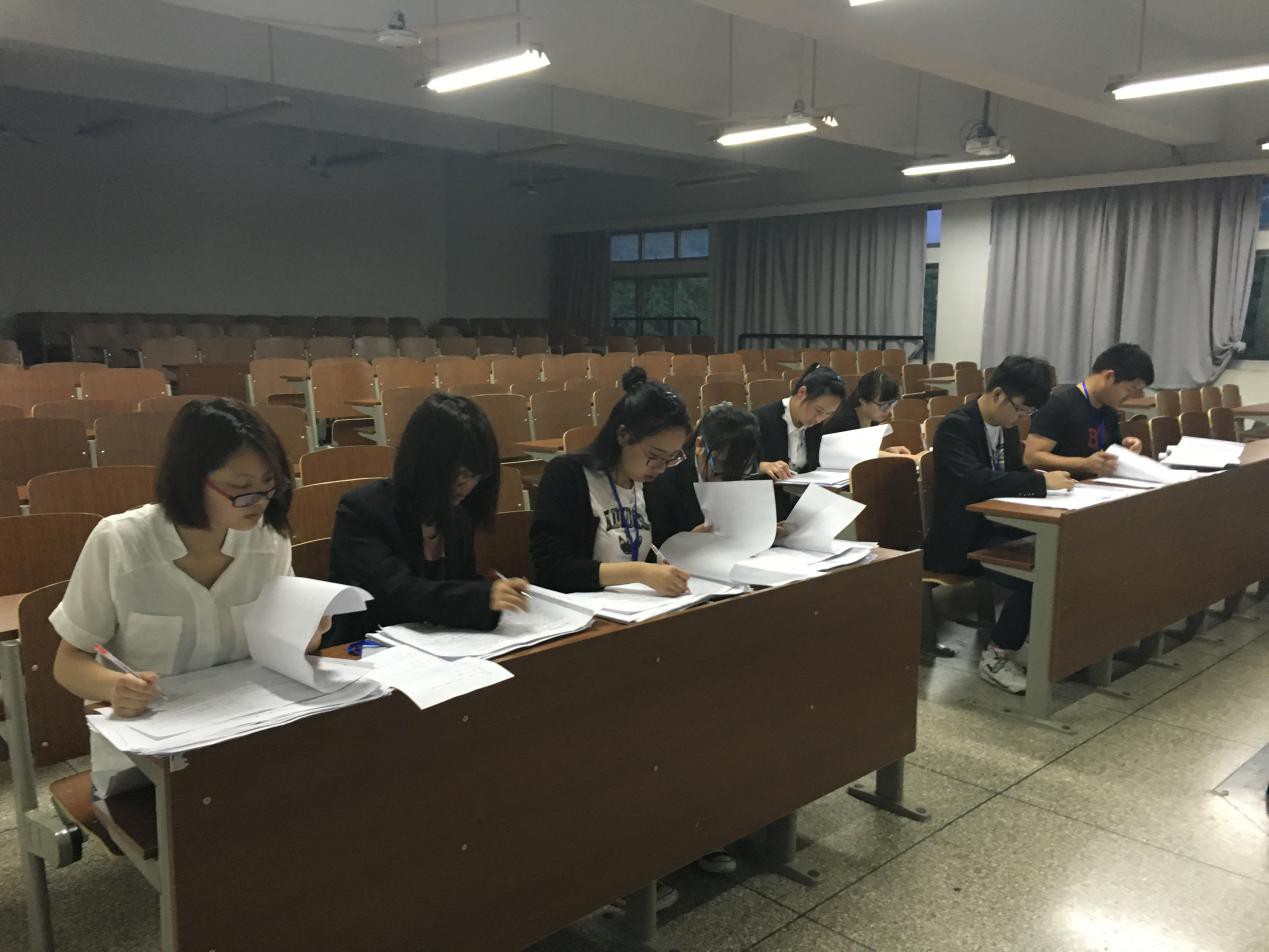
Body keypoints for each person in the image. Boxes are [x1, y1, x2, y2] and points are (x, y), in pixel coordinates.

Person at [52, 398, 321, 718]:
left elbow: (279, 645)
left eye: (269, 484)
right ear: (191, 480)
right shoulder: (119, 542)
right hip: (154, 727)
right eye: (241, 487)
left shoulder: (268, 538)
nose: (260, 502)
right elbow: (68, 662)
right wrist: (113, 687)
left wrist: (309, 632)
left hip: (250, 717)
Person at [924, 357, 1075, 693]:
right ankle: (997, 656)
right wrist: (1040, 483)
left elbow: (1011, 474)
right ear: (998, 395)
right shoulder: (956, 427)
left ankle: (1043, 644)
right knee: (1039, 575)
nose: (1022, 419)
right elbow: (976, 481)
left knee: (1065, 556)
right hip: (963, 540)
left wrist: (1042, 479)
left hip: (997, 529)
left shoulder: (1005, 426)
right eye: (1021, 410)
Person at [328, 393, 527, 647]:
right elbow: (394, 593)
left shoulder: (459, 514)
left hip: (438, 646)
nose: (467, 485)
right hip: (366, 649)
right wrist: (479, 598)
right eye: (460, 474)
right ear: (426, 463)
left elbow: (459, 582)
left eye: (476, 475)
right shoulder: (361, 510)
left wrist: (498, 594)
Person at [531, 366, 692, 597]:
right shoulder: (567, 475)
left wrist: (689, 540)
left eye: (671, 458)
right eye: (654, 455)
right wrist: (639, 572)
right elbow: (553, 570)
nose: (661, 467)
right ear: (623, 435)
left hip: (637, 607)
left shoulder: (651, 483)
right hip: (583, 607)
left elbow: (660, 551)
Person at [1024, 343, 1152, 476]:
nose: (1131, 397)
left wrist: (1126, 448)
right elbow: (1031, 458)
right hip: (1063, 485)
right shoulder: (1059, 403)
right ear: (1109, 377)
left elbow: (1109, 451)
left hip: (1095, 484)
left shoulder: (1108, 409)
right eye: (1130, 389)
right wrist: (1084, 464)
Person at [646, 402, 762, 545]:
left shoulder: (746, 469)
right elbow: (656, 547)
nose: (729, 479)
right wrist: (688, 541)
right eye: (721, 465)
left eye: (742, 468)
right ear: (699, 446)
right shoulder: (664, 480)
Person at [752, 363, 846, 517]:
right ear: (802, 393)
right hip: (765, 509)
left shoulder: (815, 426)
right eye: (819, 411)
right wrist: (764, 466)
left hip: (801, 508)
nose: (820, 419)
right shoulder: (760, 420)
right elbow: (735, 468)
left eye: (828, 414)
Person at [822, 367, 913, 455]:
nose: (888, 411)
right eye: (883, 406)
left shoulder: (873, 420)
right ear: (863, 401)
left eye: (891, 404)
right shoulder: (843, 423)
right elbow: (853, 455)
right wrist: (886, 455)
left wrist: (888, 452)